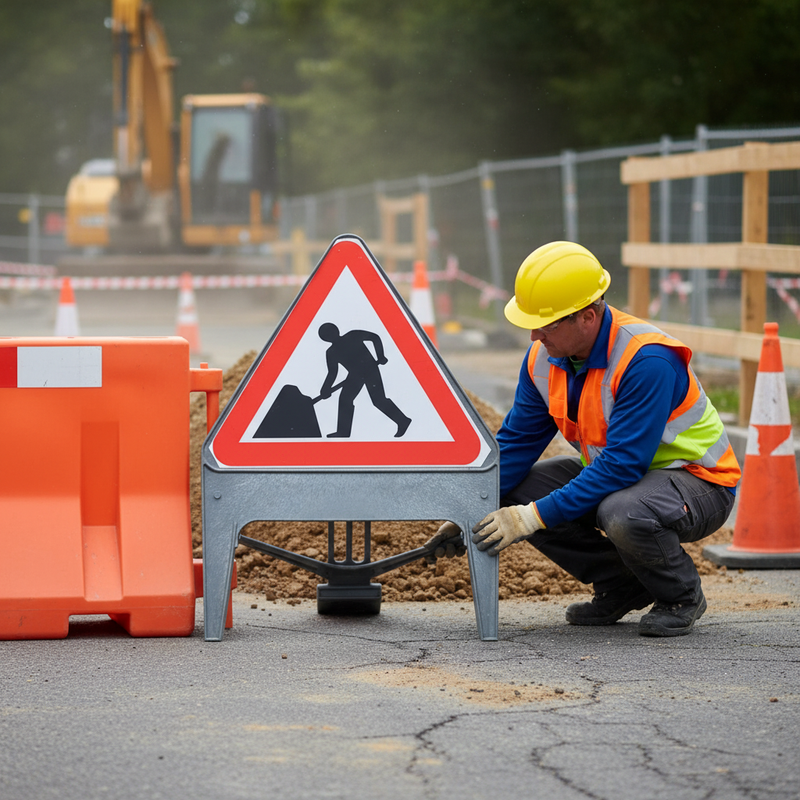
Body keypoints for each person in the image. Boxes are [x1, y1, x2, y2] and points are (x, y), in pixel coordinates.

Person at [429, 241, 741, 637]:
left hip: (698, 482)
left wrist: (532, 517)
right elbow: (516, 444)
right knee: (515, 491)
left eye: (546, 323)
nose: (533, 335)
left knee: (622, 512)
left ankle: (680, 596)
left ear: (589, 317)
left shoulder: (647, 360)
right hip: (626, 479)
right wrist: (466, 509)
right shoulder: (544, 357)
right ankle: (621, 584)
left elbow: (622, 465)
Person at [318, 322, 412, 438]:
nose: (330, 336)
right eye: (327, 335)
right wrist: (325, 388)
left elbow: (374, 337)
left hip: (370, 369)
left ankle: (403, 421)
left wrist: (380, 356)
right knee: (345, 400)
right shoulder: (331, 352)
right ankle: (343, 432)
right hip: (354, 375)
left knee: (378, 400)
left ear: (336, 330)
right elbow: (332, 372)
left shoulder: (352, 335)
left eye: (330, 333)